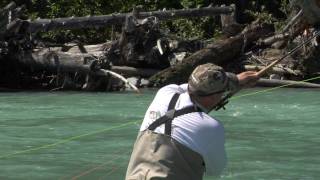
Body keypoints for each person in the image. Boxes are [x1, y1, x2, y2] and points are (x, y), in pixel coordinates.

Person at [125, 63, 259, 180]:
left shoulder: (165, 92)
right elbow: (215, 171)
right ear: (213, 97)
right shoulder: (211, 127)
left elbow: (188, 88)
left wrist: (235, 80)